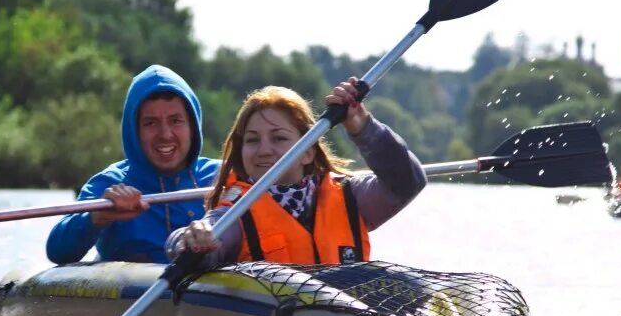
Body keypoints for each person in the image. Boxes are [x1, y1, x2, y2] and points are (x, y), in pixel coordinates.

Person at [165, 78, 426, 266]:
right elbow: (206, 234)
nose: (263, 150)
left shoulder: (351, 197)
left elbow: (408, 181)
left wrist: (363, 127)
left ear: (308, 152)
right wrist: (190, 239)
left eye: (278, 138)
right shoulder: (235, 211)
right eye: (253, 140)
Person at [45, 64, 219, 264]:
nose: (165, 134)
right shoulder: (110, 183)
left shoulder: (224, 176)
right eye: (150, 123)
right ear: (133, 132)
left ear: (192, 127)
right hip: (137, 292)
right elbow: (57, 251)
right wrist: (97, 217)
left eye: (175, 121)